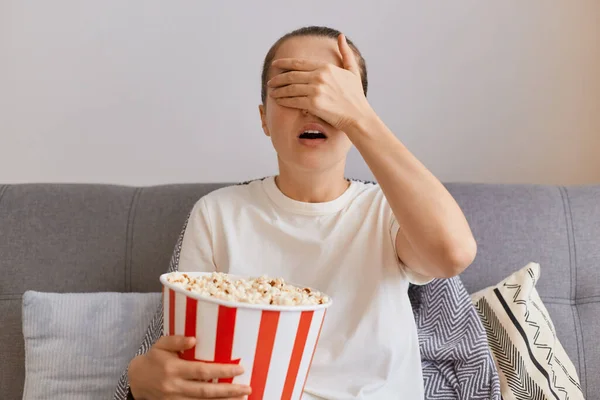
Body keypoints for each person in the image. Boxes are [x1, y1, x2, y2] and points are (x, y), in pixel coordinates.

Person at [124, 26, 477, 400]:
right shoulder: (218, 215)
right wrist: (144, 380)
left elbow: (452, 253)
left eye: (331, 93)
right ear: (264, 118)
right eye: (292, 90)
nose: (313, 107)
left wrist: (360, 119)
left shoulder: (390, 213)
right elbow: (190, 356)